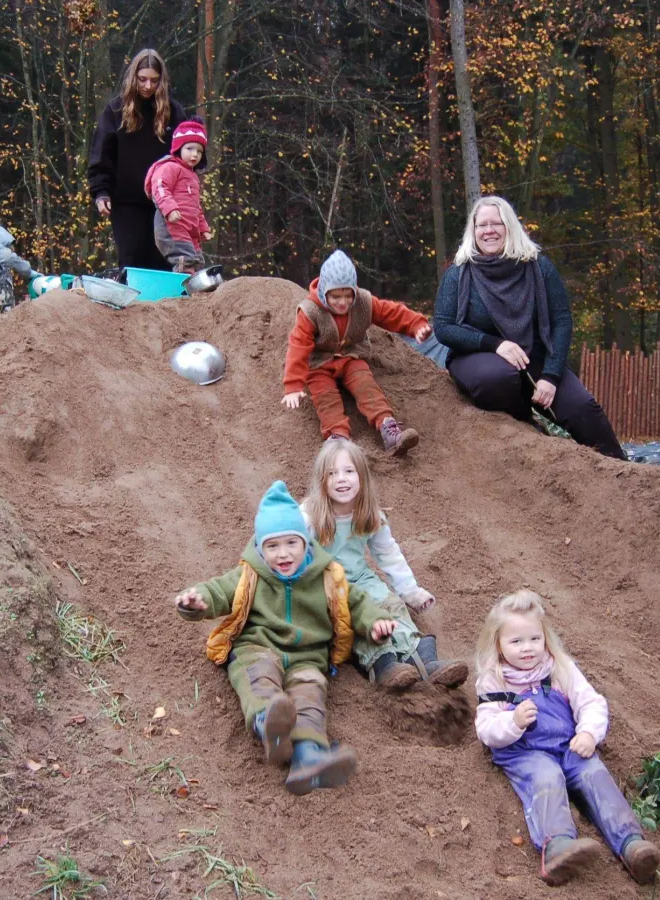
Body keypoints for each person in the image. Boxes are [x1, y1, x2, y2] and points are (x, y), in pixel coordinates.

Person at [174, 481, 398, 795]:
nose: (283, 554)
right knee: (259, 678)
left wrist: (375, 622)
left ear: (306, 542)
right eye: (272, 546)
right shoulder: (251, 573)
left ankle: (307, 757)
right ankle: (270, 725)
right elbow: (218, 591)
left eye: (291, 543)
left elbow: (356, 601)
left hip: (308, 657)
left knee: (309, 696)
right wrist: (196, 602)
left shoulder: (326, 575)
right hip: (258, 647)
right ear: (260, 548)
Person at [474, 590, 660, 887]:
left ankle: (632, 845)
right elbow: (485, 729)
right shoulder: (494, 680)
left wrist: (588, 732)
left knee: (594, 773)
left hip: (567, 745)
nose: (528, 648)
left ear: (545, 637)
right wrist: (512, 721)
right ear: (497, 644)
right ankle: (558, 846)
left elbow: (591, 702)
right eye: (516, 641)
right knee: (546, 777)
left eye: (535, 639)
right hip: (525, 753)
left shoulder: (559, 668)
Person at [432, 197, 626, 459]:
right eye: (482, 225)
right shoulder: (458, 273)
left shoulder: (539, 267)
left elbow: (561, 321)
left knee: (583, 408)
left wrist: (551, 377)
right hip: (477, 356)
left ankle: (623, 470)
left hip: (533, 356)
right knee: (498, 377)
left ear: (509, 227)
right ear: (473, 230)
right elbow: (443, 327)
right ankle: (525, 424)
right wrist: (495, 344)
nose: (489, 230)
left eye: (496, 223)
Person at [299, 440, 468, 692]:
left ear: (362, 476)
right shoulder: (309, 516)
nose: (341, 479)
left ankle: (422, 660)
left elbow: (388, 554)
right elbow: (289, 549)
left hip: (361, 578)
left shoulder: (369, 514)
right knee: (359, 617)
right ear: (321, 481)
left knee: (391, 605)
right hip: (325, 585)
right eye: (332, 473)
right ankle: (383, 663)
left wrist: (410, 591)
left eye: (348, 471)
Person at [283, 251, 432, 455]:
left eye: (347, 295)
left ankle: (389, 430)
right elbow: (298, 345)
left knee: (367, 387)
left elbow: (391, 313)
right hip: (319, 364)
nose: (343, 302)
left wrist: (415, 324)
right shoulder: (310, 311)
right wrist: (293, 383)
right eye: (335, 296)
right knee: (326, 398)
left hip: (352, 356)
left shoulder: (363, 302)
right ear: (323, 292)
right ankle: (338, 440)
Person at [88, 49, 187, 271]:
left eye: (154, 80)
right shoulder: (115, 111)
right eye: (142, 79)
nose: (148, 86)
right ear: (134, 77)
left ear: (161, 81)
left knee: (163, 265)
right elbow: (101, 154)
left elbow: (188, 156)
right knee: (131, 264)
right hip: (126, 203)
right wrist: (100, 191)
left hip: (164, 204)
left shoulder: (174, 112)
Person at [144, 119, 212, 273]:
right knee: (185, 258)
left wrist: (203, 228)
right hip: (172, 224)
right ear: (178, 148)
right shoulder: (170, 167)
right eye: (189, 148)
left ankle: (197, 292)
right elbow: (160, 187)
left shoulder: (193, 176)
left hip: (190, 228)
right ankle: (183, 291)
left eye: (199, 151)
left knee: (198, 260)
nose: (195, 154)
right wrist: (169, 209)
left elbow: (195, 207)